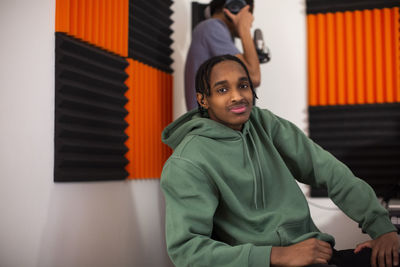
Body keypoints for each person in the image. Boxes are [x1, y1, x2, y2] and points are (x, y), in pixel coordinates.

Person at [161, 54, 399, 267]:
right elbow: (187, 251)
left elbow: (329, 170)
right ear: (203, 100)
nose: (237, 96)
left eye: (243, 85)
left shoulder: (264, 123)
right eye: (223, 90)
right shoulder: (187, 162)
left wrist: (382, 230)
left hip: (314, 254)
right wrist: (276, 256)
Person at [184, 0, 261, 111]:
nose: (250, 22)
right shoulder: (211, 28)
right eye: (248, 14)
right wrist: (244, 28)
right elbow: (254, 78)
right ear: (235, 7)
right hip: (210, 125)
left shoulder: (213, 31)